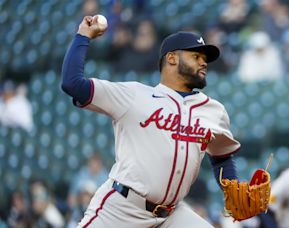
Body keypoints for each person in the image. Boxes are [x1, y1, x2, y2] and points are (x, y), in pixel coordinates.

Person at [61, 16, 241, 227]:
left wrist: (233, 190)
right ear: (172, 59)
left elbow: (222, 157)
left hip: (171, 215)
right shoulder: (134, 95)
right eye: (196, 56)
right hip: (123, 209)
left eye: (205, 58)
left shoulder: (213, 110)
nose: (204, 62)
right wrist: (83, 35)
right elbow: (72, 83)